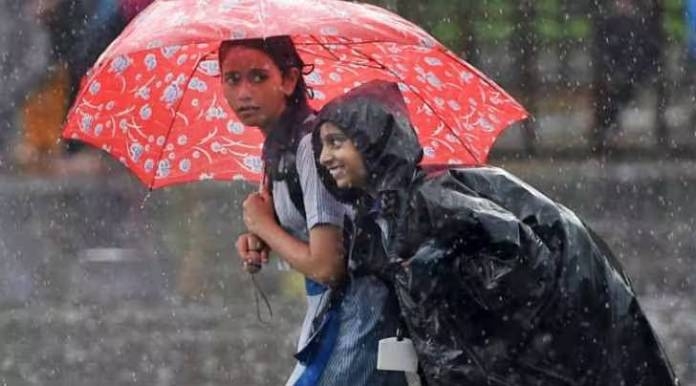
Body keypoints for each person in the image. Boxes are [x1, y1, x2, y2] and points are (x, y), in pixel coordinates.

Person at [313, 79, 678, 386]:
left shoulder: (433, 199)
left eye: (336, 142)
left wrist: (434, 266)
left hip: (562, 340)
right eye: (322, 145)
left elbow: (520, 261)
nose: (324, 157)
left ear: (372, 141)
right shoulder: (383, 213)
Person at [222, 36, 407, 386]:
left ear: (289, 80)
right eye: (232, 79)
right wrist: (260, 234)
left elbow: (328, 267)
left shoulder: (311, 145)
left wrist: (264, 226)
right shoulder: (279, 146)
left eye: (258, 77)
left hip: (359, 313)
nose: (244, 92)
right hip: (339, 313)